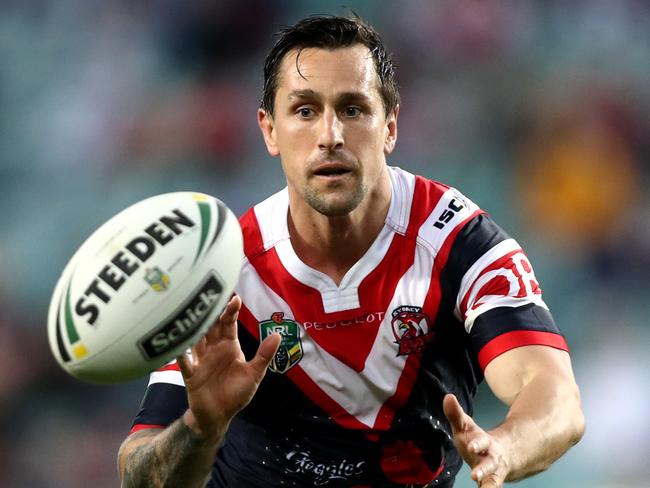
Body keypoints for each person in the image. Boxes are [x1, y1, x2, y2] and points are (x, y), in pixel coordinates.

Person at [117, 14, 584, 488]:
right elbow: (138, 475)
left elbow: (555, 398)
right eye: (304, 111)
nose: (330, 135)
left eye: (353, 109)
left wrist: (504, 448)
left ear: (390, 128)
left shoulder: (458, 244)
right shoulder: (223, 278)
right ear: (269, 131)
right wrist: (201, 427)